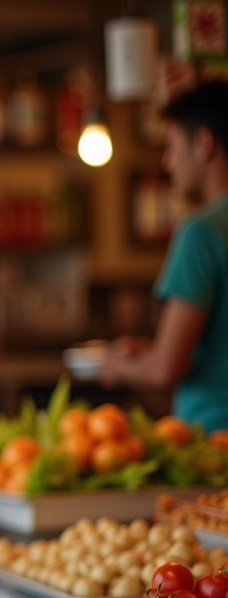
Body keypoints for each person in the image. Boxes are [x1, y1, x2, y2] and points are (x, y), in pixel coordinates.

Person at [101, 80, 228, 432]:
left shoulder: (201, 231)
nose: (167, 162)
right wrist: (156, 351)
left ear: (204, 144)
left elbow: (165, 370)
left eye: (172, 146)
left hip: (213, 444)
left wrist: (117, 365)